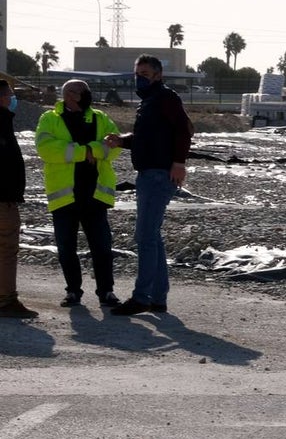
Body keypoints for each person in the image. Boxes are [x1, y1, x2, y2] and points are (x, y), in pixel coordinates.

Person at [104, 55, 193, 316]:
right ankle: (157, 297)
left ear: (158, 75)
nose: (139, 77)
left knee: (144, 237)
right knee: (152, 236)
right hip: (148, 173)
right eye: (137, 73)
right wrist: (122, 140)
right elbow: (148, 138)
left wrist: (179, 162)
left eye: (144, 73)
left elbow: (184, 129)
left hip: (158, 174)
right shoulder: (150, 102)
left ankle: (142, 297)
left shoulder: (166, 98)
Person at [35, 78, 123, 307]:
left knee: (102, 248)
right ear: (68, 95)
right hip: (65, 196)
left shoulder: (100, 118)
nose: (85, 94)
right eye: (79, 91)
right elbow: (46, 149)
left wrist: (95, 149)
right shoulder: (49, 119)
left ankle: (106, 292)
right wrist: (84, 153)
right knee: (66, 248)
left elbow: (114, 145)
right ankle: (73, 291)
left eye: (86, 91)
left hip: (95, 195)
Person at [0, 80, 37, 319]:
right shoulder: (1, 123)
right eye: (11, 95)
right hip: (3, 200)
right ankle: (5, 300)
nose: (14, 99)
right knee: (6, 249)